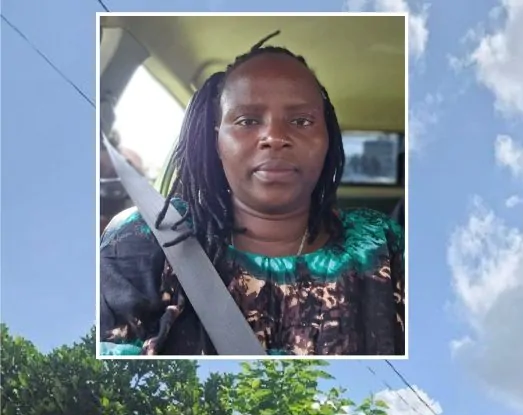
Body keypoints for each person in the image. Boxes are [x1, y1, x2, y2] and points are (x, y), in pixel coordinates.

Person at [99, 33, 405, 356]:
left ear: (327, 138)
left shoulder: (382, 244)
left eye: (301, 121)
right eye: (247, 120)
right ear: (217, 141)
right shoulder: (143, 239)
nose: (274, 137)